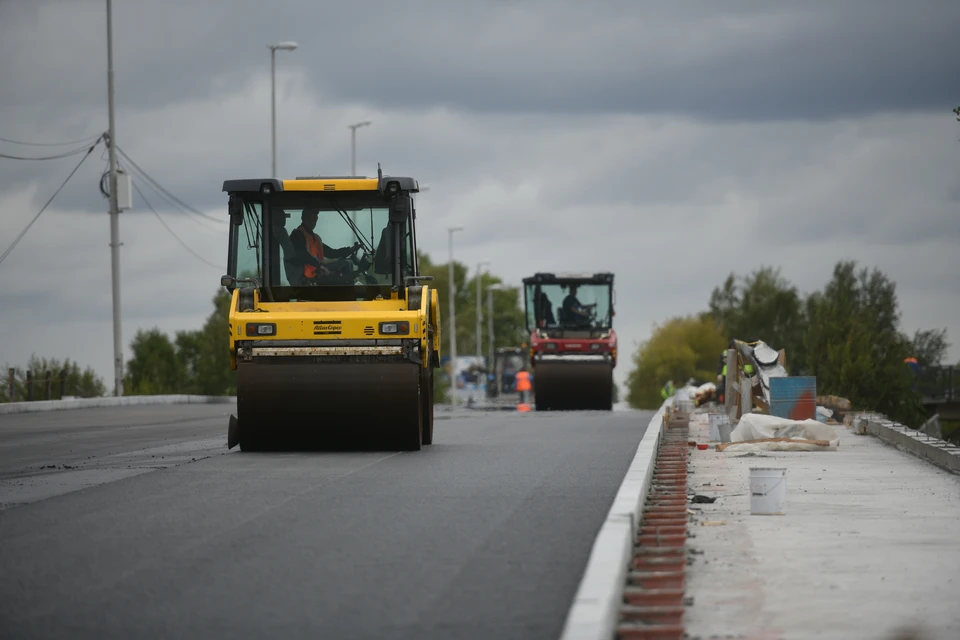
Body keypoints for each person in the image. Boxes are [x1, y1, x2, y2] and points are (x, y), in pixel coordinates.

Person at [289, 208, 361, 282]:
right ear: (303, 218)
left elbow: (331, 253)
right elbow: (302, 254)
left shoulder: (315, 238)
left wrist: (349, 250)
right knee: (346, 266)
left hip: (318, 269)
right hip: (310, 274)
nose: (313, 223)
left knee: (348, 262)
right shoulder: (298, 235)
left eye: (315, 219)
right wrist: (319, 265)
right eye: (310, 219)